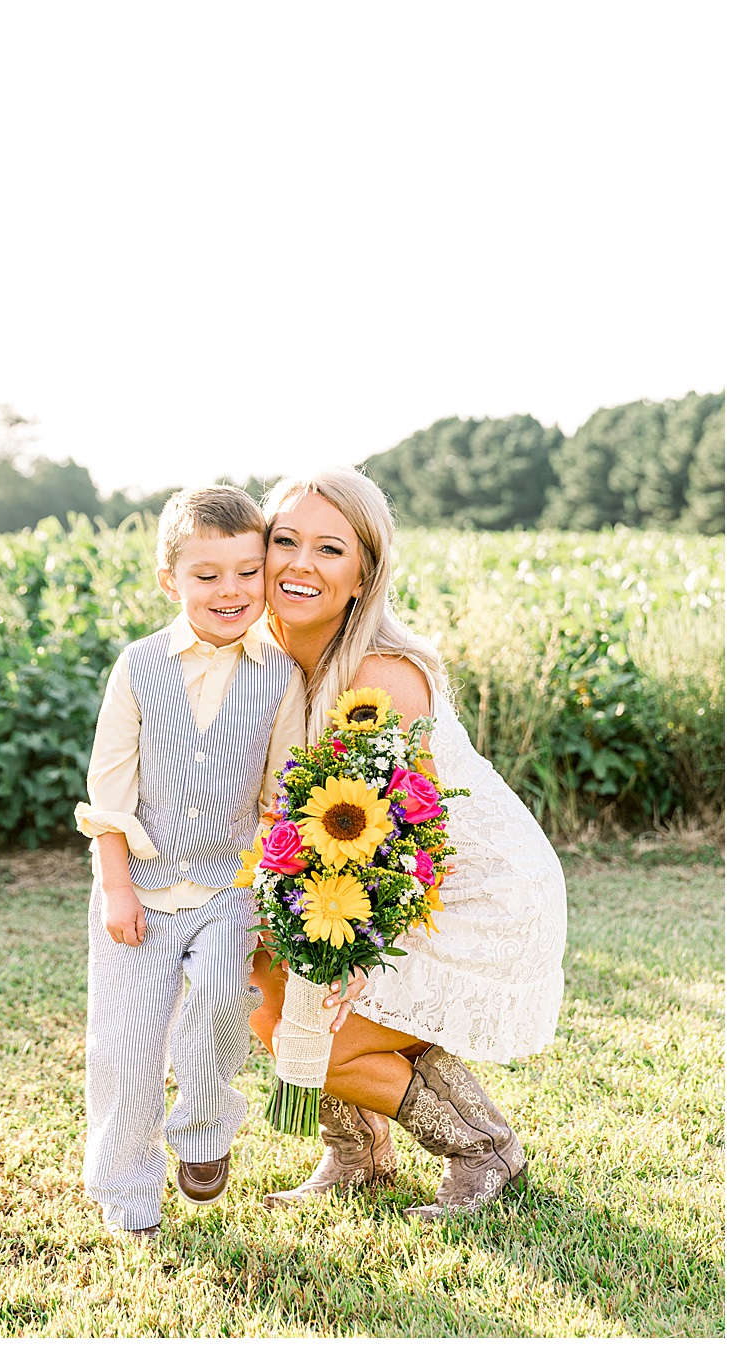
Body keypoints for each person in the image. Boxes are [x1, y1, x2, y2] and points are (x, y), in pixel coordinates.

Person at [250, 467, 566, 1219]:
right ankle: (357, 1152)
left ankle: (481, 1147)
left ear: (364, 573)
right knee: (263, 992)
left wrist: (347, 954)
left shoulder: (380, 677)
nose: (299, 564)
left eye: (329, 549)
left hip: (470, 889)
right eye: (283, 540)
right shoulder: (267, 665)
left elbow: (396, 841)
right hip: (375, 881)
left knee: (313, 1033)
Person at [74, 486, 307, 1237]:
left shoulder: (280, 674)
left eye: (248, 572)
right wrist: (116, 889)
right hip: (138, 883)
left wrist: (276, 891)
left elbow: (283, 790)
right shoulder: (138, 667)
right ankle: (127, 1194)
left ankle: (204, 1126)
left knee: (220, 995)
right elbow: (109, 789)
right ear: (170, 580)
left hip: (230, 884)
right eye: (207, 575)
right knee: (129, 1045)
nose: (231, 591)